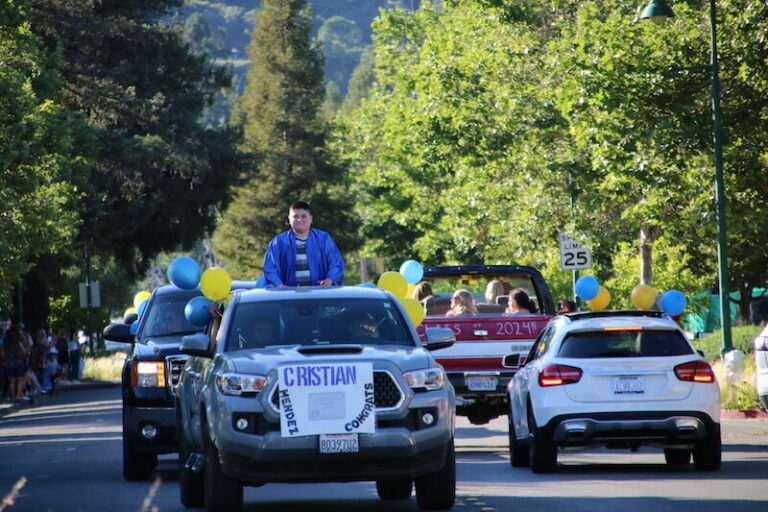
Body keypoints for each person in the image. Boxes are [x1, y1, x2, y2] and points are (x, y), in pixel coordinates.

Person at [263, 201, 344, 287]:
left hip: (319, 295)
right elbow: (270, 268)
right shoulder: (278, 242)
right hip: (288, 296)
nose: (299, 219)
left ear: (311, 219)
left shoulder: (323, 239)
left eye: (303, 216)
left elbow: (336, 263)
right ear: (289, 219)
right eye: (295, 216)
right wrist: (279, 285)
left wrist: (330, 279)